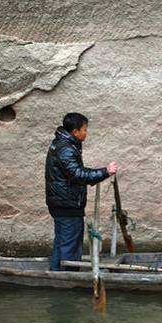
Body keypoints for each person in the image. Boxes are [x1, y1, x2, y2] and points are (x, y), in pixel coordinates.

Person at [45, 113, 118, 272]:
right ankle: (66, 279)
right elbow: (78, 175)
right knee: (69, 244)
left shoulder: (62, 144)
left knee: (62, 242)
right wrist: (105, 172)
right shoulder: (66, 150)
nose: (86, 133)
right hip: (67, 205)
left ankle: (56, 274)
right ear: (75, 132)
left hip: (62, 204)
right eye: (84, 129)